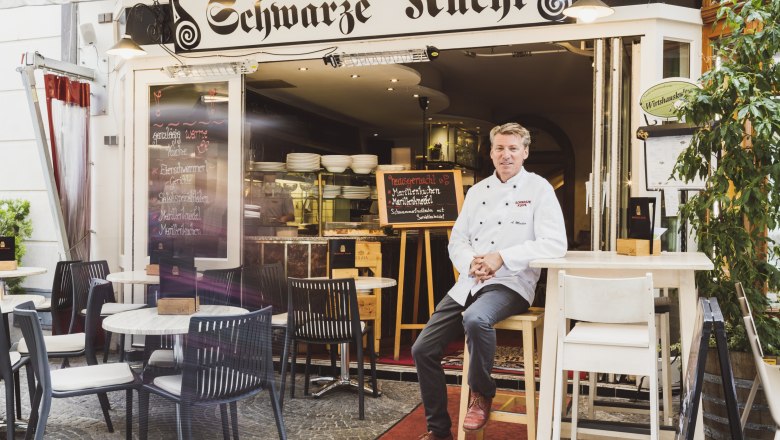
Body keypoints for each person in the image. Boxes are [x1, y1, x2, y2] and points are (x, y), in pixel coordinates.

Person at [412, 122, 568, 439]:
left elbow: (555, 244)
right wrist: (471, 262)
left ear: (525, 152)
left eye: (513, 148)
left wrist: (501, 257)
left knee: (475, 318)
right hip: (470, 281)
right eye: (500, 148)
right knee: (422, 349)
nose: (506, 154)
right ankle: (438, 430)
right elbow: (457, 240)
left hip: (512, 283)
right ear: (491, 152)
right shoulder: (477, 191)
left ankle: (481, 392)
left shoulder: (540, 189)